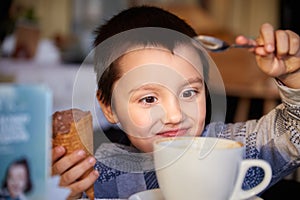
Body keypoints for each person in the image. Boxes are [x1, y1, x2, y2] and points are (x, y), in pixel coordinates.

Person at [51, 5, 300, 199]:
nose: (175, 115)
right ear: (109, 108)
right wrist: (63, 193)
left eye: (189, 92)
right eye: (148, 99)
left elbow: (293, 133)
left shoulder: (229, 149)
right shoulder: (94, 175)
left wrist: (293, 75)